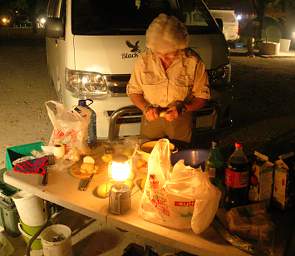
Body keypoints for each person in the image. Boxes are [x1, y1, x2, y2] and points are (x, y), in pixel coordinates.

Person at [127, 13, 210, 143]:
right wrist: (146, 108)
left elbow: (202, 97)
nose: (164, 59)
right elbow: (133, 91)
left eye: (170, 55)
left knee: (180, 159)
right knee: (148, 159)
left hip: (181, 119)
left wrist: (182, 108)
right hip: (151, 120)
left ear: (180, 47)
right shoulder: (144, 60)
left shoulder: (193, 62)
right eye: (159, 54)